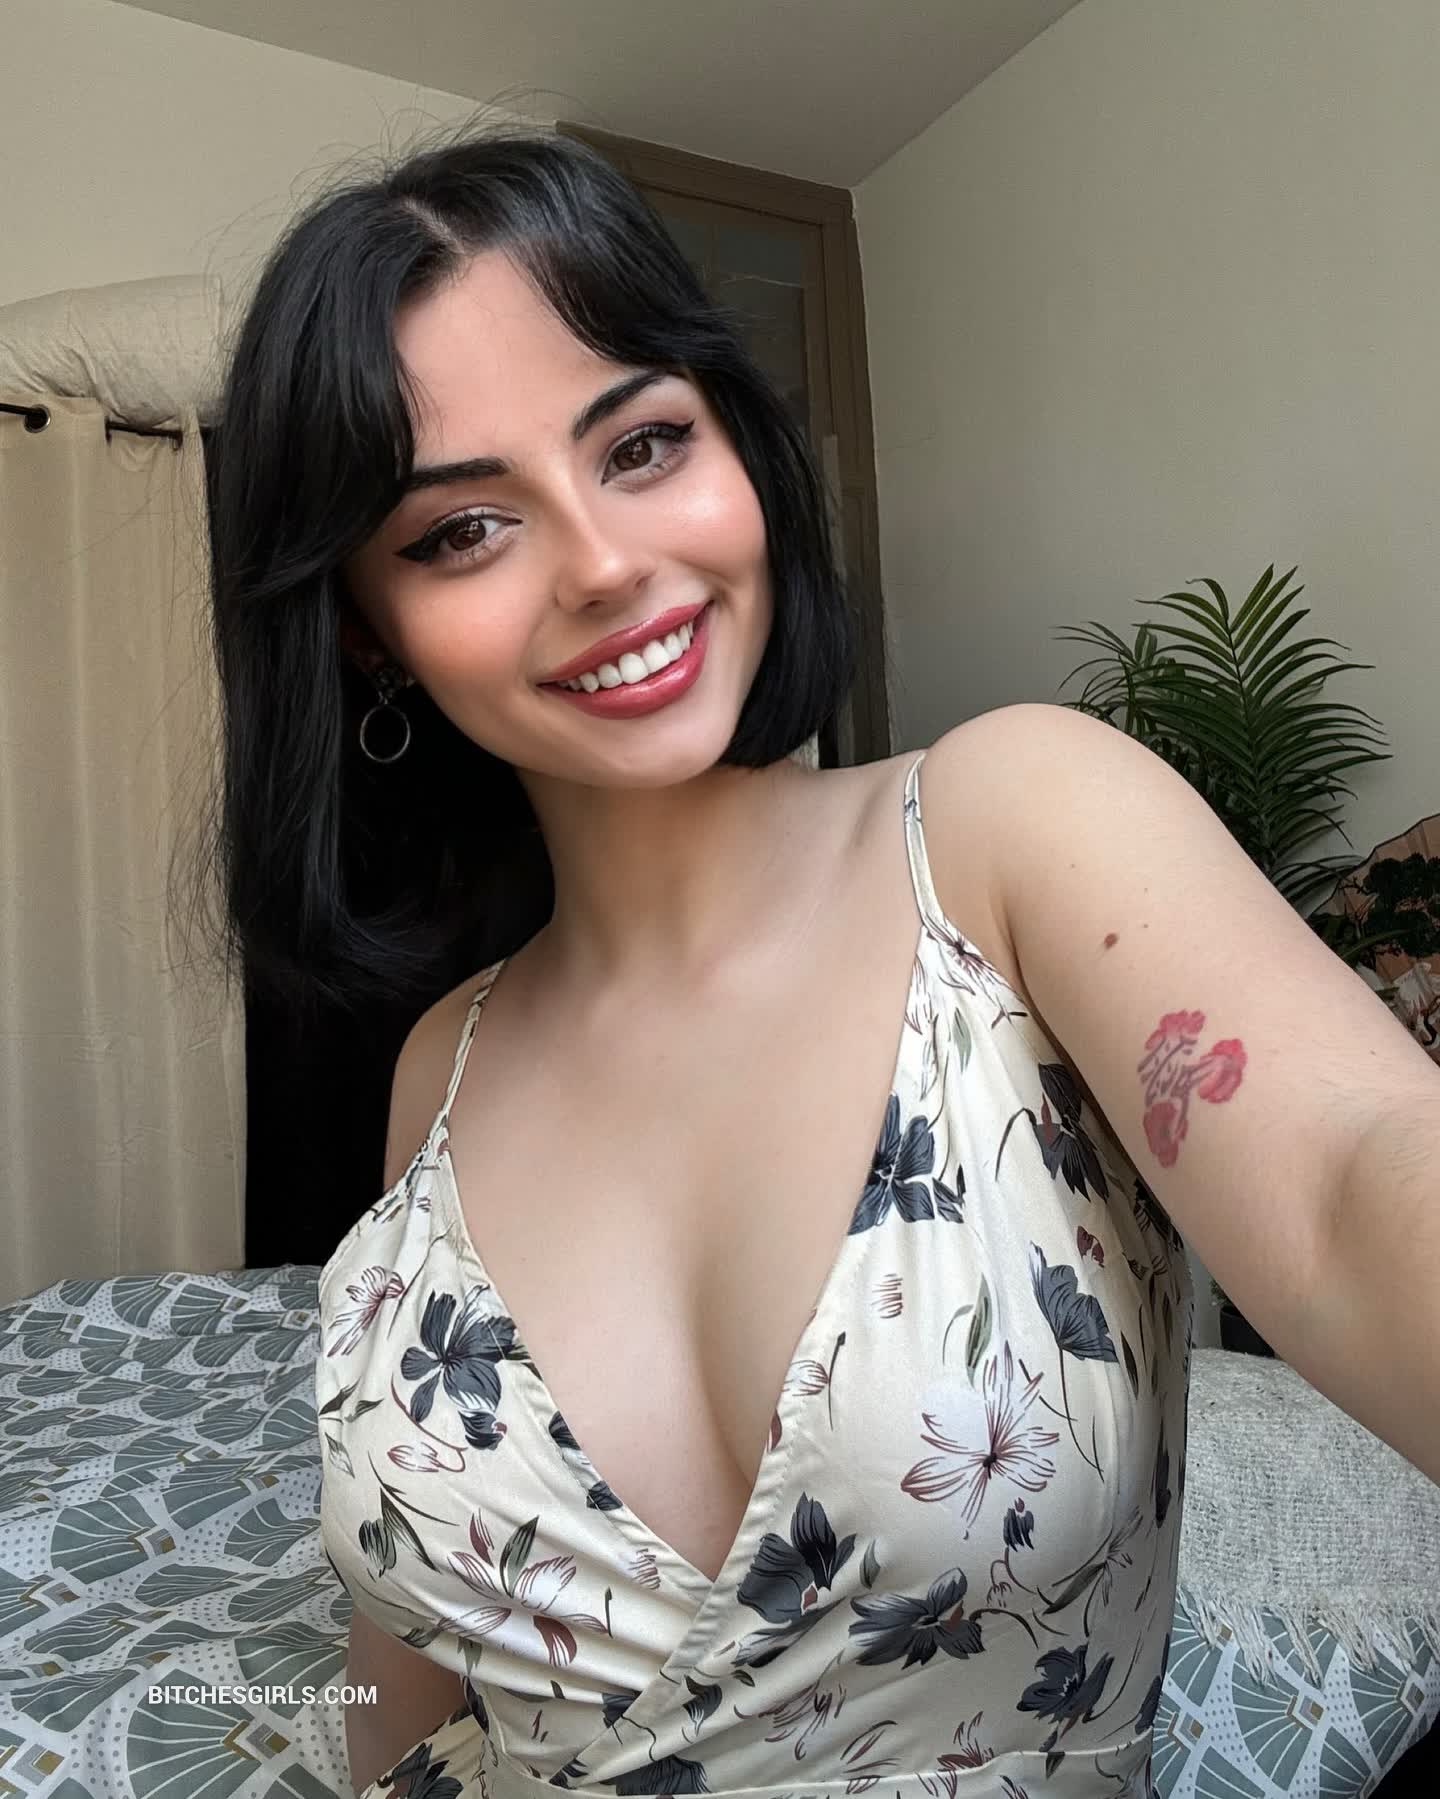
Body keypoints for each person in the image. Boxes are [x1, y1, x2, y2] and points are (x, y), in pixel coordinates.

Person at [199, 117, 1196, 1799]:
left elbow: (1354, 1177)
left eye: (644, 444)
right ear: (369, 630)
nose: (603, 565)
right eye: (461, 530)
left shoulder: (1015, 825)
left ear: (740, 444)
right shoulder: (440, 1063)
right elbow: (406, 1692)